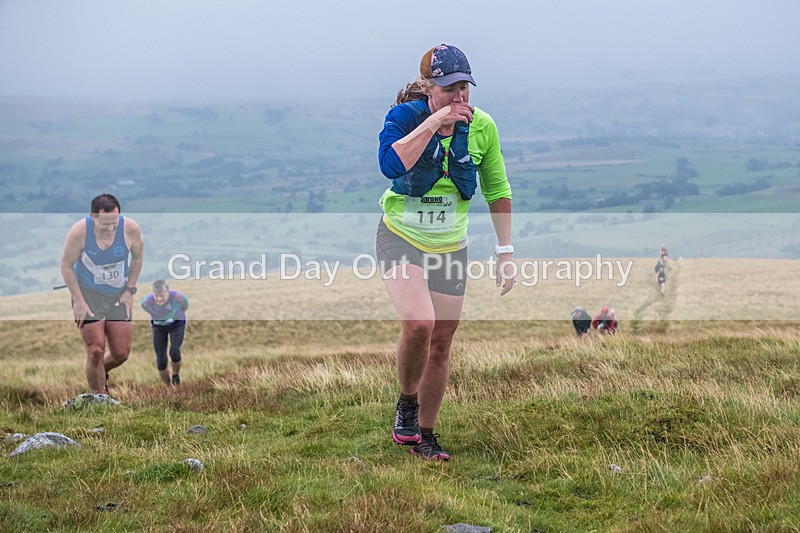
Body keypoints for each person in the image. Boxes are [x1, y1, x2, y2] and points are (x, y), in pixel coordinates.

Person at [377, 44, 514, 461]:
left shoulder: (483, 127)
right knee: (419, 323)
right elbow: (390, 164)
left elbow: (498, 191)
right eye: (449, 88)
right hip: (400, 236)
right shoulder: (403, 118)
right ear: (427, 86)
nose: (459, 97)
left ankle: (427, 435)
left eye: (464, 88)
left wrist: (505, 251)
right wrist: (435, 121)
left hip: (451, 247)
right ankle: (406, 401)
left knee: (441, 342)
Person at [60, 194, 144, 394]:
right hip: (88, 294)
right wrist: (78, 301)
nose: (110, 228)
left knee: (121, 353)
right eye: (105, 224)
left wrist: (129, 291)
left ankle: (99, 371)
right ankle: (100, 399)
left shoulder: (130, 228)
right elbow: (66, 266)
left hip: (118, 294)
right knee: (96, 350)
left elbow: (138, 258)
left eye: (114, 222)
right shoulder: (80, 231)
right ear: (93, 217)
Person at [141, 280, 189, 386]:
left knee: (174, 351)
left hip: (177, 325)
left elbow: (185, 306)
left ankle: (176, 374)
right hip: (159, 328)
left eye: (162, 295)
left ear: (168, 292)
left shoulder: (178, 297)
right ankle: (168, 387)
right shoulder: (146, 302)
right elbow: (146, 308)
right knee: (161, 360)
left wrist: (174, 313)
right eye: (156, 296)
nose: (159, 299)